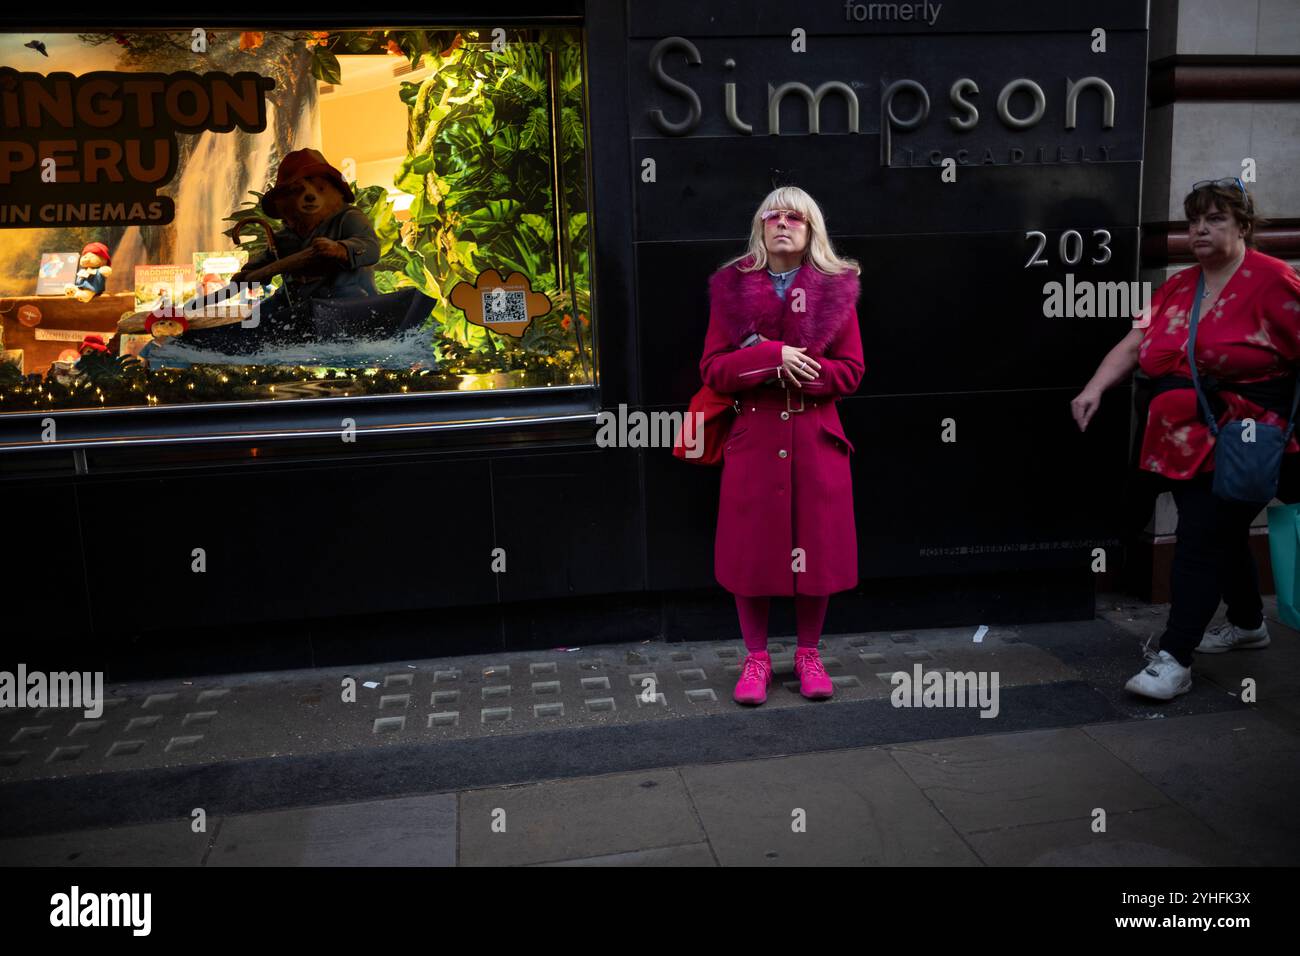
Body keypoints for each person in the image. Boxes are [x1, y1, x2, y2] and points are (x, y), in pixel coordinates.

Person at [1072, 177, 1300, 700]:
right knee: (1217, 533)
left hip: (1240, 442)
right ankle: (1247, 623)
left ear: (1244, 226)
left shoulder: (1275, 281)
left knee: (1201, 540)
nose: (1200, 229)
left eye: (1215, 219)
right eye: (1194, 220)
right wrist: (1094, 389)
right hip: (1173, 443)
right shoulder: (1178, 285)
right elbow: (1135, 343)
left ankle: (1174, 658)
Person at [698, 186, 865, 706]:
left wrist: (801, 373)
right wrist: (771, 357)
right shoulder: (731, 289)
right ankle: (756, 659)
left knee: (815, 551)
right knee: (752, 555)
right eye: (773, 215)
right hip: (754, 440)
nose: (783, 223)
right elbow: (713, 368)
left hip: (817, 440)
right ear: (760, 227)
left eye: (795, 216)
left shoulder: (838, 291)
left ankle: (809, 654)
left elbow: (852, 371)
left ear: (811, 228)